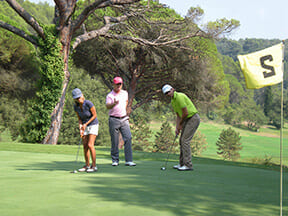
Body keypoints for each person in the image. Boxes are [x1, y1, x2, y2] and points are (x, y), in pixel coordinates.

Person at [162, 84, 200, 171]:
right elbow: (178, 115)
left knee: (185, 141)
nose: (168, 94)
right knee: (181, 141)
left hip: (192, 118)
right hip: (186, 119)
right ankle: (182, 163)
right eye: (166, 93)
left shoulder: (179, 97)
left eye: (169, 91)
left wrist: (181, 124)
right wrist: (177, 127)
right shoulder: (173, 101)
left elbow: (185, 113)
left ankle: (188, 165)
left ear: (173, 89)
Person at [106, 77, 136, 167]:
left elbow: (126, 102)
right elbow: (107, 106)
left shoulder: (125, 93)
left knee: (128, 138)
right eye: (117, 84)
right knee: (114, 141)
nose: (119, 86)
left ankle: (129, 160)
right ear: (113, 84)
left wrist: (124, 112)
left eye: (120, 84)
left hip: (124, 118)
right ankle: (115, 160)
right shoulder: (110, 95)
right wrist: (113, 104)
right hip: (113, 119)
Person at [72, 88, 99, 173]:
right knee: (85, 145)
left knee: (90, 145)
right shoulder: (76, 107)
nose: (79, 99)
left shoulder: (88, 103)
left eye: (79, 97)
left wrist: (86, 124)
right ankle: (87, 165)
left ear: (82, 95)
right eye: (77, 98)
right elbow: (79, 118)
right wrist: (80, 128)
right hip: (84, 126)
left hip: (93, 124)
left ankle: (94, 166)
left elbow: (94, 115)